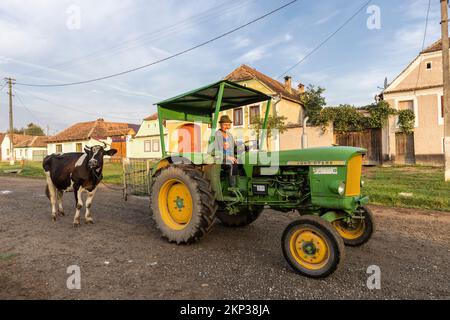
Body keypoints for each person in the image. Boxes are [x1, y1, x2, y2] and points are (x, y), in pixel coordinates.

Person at [214, 115, 238, 187]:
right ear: (221, 125)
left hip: (230, 158)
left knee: (241, 164)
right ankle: (232, 188)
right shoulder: (217, 135)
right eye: (225, 125)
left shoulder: (230, 135)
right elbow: (216, 151)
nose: (227, 127)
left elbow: (235, 148)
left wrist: (242, 149)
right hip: (220, 159)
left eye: (228, 125)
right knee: (232, 165)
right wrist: (228, 157)